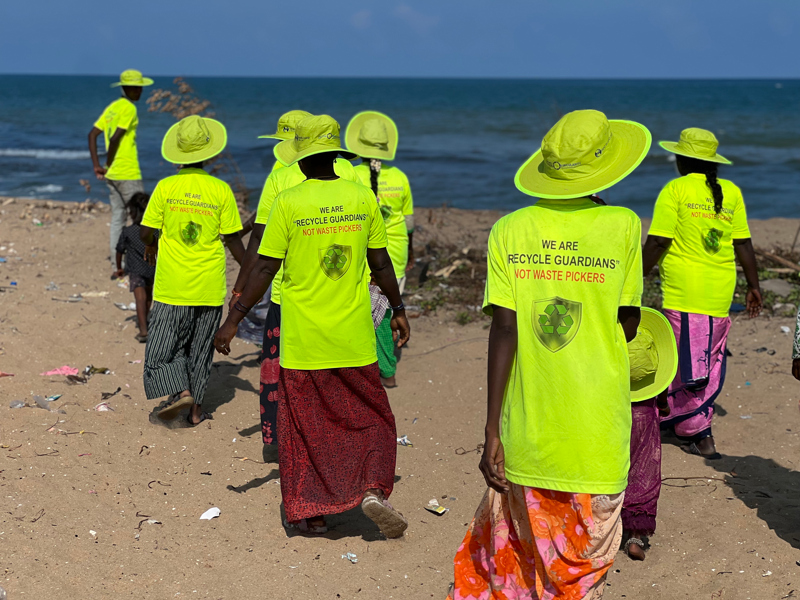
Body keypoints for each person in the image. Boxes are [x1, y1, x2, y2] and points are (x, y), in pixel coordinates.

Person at [447, 109, 648, 600]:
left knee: (520, 557)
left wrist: (492, 429)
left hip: (528, 428)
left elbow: (505, 330)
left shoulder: (510, 230)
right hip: (596, 430)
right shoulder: (622, 226)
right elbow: (627, 322)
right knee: (580, 565)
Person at [214, 115, 411, 538]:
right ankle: (372, 487)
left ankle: (313, 513)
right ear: (337, 157)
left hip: (304, 342)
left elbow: (265, 266)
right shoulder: (362, 198)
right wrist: (398, 307)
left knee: (306, 427)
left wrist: (233, 319)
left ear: (302, 162)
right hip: (354, 339)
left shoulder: (289, 202)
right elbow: (381, 263)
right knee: (373, 417)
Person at [232, 111, 361, 447]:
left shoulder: (280, 177)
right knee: (337, 370)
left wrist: (240, 289)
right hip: (344, 293)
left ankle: (277, 439)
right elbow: (367, 231)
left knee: (280, 368)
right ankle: (332, 435)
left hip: (290, 294)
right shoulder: (350, 172)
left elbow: (260, 241)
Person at [643, 128, 762, 459]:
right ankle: (683, 424)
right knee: (704, 358)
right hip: (720, 292)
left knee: (686, 365)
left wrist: (634, 274)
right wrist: (753, 286)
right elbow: (743, 244)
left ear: (683, 159)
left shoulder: (676, 189)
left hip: (685, 292)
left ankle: (698, 433)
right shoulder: (732, 192)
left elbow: (658, 241)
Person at [139, 115, 244, 426]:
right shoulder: (221, 189)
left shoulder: (166, 186)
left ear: (178, 154)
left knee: (160, 351)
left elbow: (146, 231)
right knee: (200, 351)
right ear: (209, 154)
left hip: (173, 286)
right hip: (209, 287)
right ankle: (196, 412)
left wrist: (152, 242)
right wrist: (247, 277)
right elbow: (235, 242)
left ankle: (181, 389)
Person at [346, 111, 414, 389]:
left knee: (361, 310)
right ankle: (387, 370)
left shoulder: (350, 175)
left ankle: (370, 366)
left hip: (364, 253)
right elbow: (409, 223)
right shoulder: (400, 177)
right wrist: (413, 255)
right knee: (388, 312)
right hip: (395, 252)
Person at [622, 308, 678, 561]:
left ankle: (603, 529)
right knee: (643, 471)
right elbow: (663, 392)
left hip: (611, 411)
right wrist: (663, 404)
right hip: (643, 414)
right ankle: (634, 535)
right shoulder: (653, 391)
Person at [88, 69, 153, 263]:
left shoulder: (113, 107)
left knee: (118, 217)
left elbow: (92, 135)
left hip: (112, 174)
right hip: (127, 171)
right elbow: (116, 137)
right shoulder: (129, 109)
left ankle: (118, 263)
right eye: (135, 88)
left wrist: (97, 166)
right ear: (126, 88)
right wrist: (106, 162)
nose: (139, 91)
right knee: (141, 218)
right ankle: (141, 263)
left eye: (140, 88)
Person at [113, 192, 156, 343]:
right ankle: (146, 319)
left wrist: (119, 268)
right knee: (148, 297)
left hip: (136, 270)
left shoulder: (128, 232)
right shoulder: (154, 231)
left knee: (140, 299)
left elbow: (119, 250)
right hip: (151, 268)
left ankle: (143, 330)